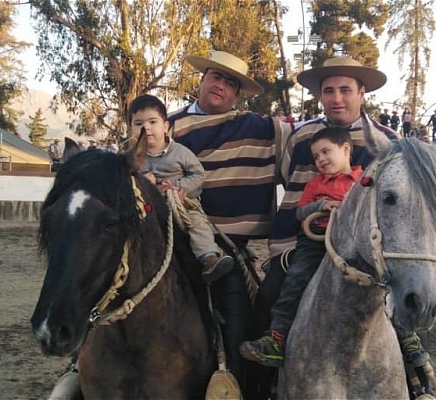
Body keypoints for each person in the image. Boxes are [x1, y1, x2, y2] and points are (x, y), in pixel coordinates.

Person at [167, 51, 397, 383]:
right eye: (329, 91)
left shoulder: (388, 143)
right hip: (301, 242)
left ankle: (416, 378)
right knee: (268, 300)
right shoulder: (301, 136)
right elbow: (291, 179)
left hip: (366, 249)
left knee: (401, 308)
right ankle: (259, 386)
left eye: (345, 90)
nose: (336, 98)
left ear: (363, 93)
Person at [240, 127, 362, 367]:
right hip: (315, 241)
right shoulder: (315, 184)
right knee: (295, 281)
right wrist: (322, 205)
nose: (321, 160)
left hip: (352, 241)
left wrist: (346, 206)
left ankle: (407, 340)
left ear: (346, 149)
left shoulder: (363, 182)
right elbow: (299, 211)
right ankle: (277, 338)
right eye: (316, 157)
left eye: (326, 152)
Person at [130, 94, 235, 282]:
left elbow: (198, 174)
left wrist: (177, 188)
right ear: (131, 129)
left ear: (166, 127)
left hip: (182, 203)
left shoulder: (180, 152)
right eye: (138, 123)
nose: (146, 127)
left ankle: (209, 257)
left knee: (197, 223)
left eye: (152, 122)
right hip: (146, 207)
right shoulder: (131, 159)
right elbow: (124, 183)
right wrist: (143, 183)